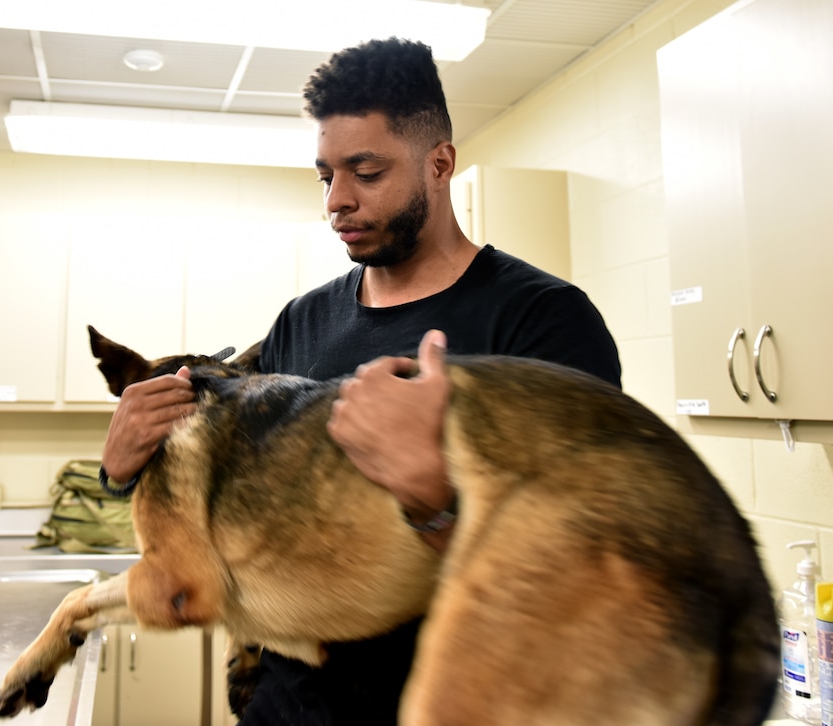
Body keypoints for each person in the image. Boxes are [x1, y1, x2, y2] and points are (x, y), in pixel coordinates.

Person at [101, 37, 621, 726]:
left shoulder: (543, 323)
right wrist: (124, 470)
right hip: (283, 710)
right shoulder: (300, 322)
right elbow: (229, 518)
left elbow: (588, 579)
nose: (337, 202)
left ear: (440, 164)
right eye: (325, 177)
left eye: (366, 172)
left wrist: (433, 499)